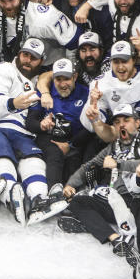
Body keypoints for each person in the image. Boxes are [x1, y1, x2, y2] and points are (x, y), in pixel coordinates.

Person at [63, 103, 140, 279]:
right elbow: (90, 166)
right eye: (117, 122)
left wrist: (118, 165)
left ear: (137, 122)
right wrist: (71, 184)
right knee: (78, 202)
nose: (122, 125)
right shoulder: (114, 146)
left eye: (127, 120)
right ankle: (116, 239)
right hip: (118, 201)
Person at [0, 38, 67, 225]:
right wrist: (13, 103)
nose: (27, 61)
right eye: (25, 55)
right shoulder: (3, 69)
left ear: (41, 61)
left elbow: (53, 75)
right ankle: (10, 195)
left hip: (21, 131)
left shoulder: (37, 80)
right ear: (18, 54)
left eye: (34, 58)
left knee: (33, 159)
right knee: (2, 157)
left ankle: (39, 199)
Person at [25, 58, 90, 193]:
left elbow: (91, 127)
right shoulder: (44, 93)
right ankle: (54, 191)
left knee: (74, 161)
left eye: (66, 79)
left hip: (76, 140)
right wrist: (41, 125)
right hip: (49, 137)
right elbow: (30, 121)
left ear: (75, 76)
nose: (62, 84)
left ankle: (73, 195)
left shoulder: (86, 94)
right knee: (55, 153)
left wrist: (71, 145)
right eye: (58, 79)